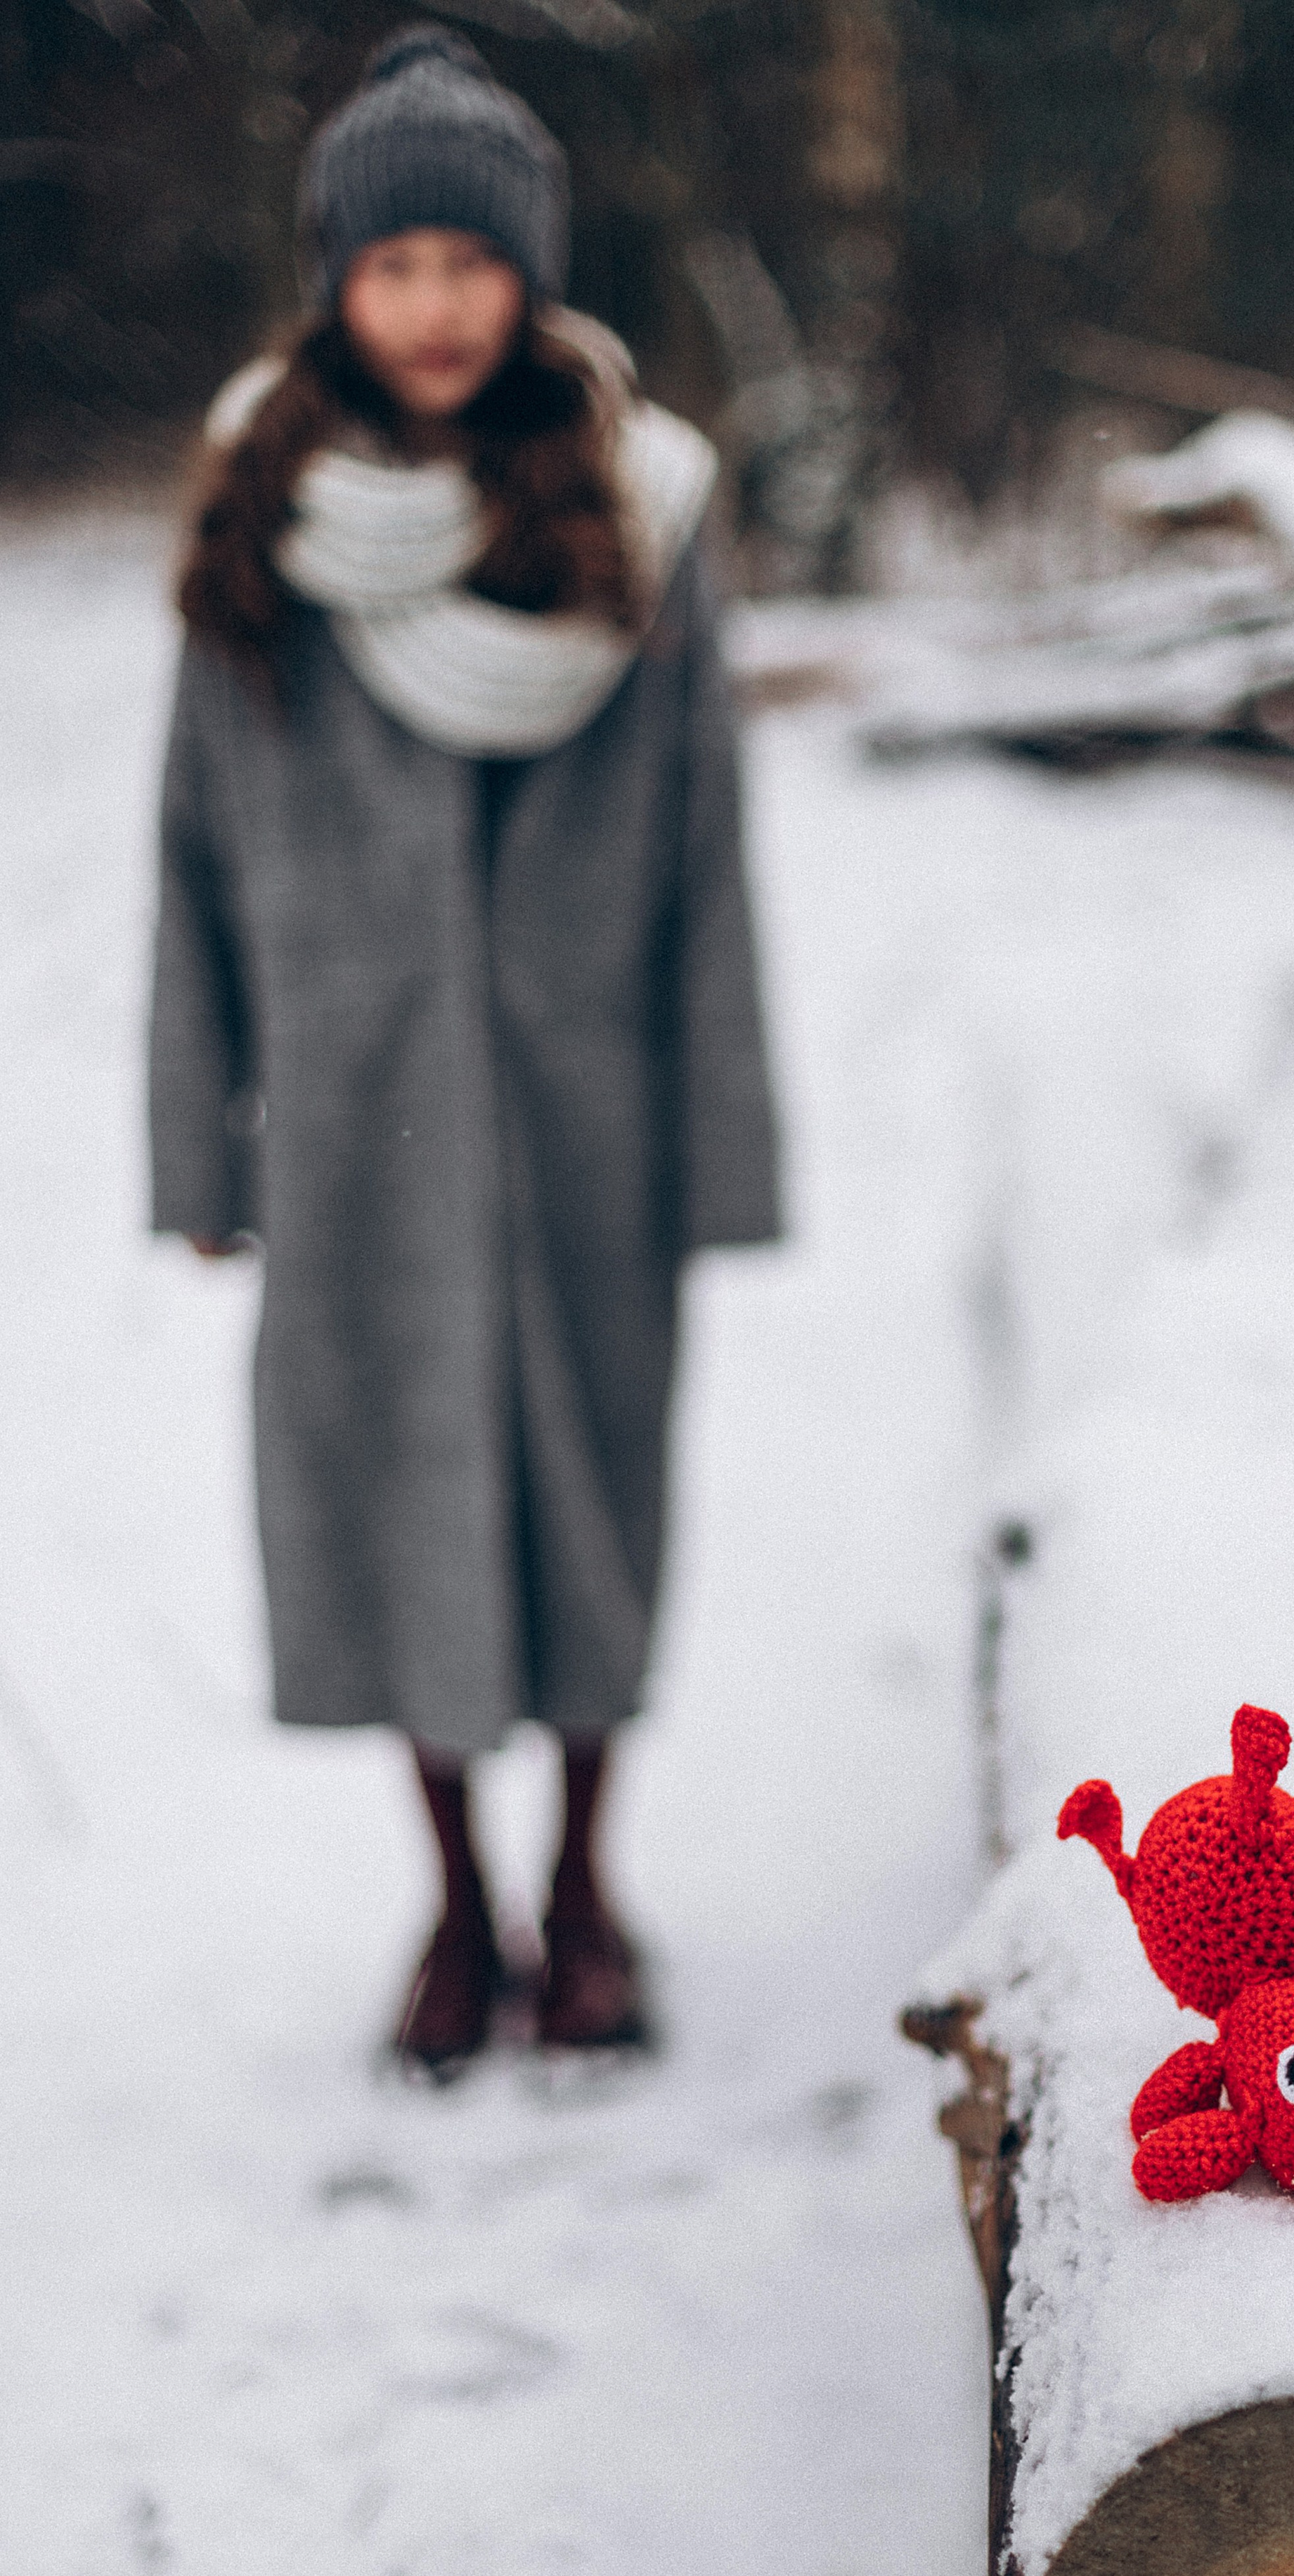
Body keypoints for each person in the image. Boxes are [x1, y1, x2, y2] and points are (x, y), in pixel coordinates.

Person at [153, 25, 781, 2072]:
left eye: (471, 262)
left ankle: (588, 1880)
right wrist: (199, 1152)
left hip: (590, 1109)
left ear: (531, 277)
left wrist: (722, 1147)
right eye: (393, 263)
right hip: (349, 1114)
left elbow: (708, 847)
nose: (434, 304)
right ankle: (453, 1903)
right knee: (381, 1486)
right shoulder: (264, 519)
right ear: (338, 280)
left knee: (590, 1487)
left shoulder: (641, 504)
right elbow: (188, 861)